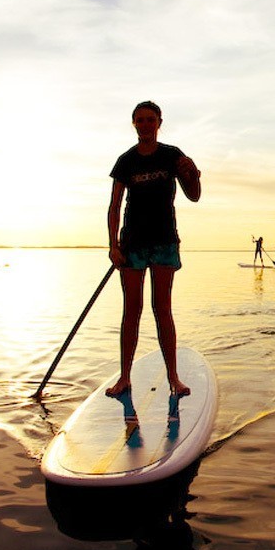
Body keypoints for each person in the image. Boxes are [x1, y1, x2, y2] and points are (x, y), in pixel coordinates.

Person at [106, 101, 201, 397]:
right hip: (132, 244)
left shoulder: (173, 155)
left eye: (150, 120)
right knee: (131, 311)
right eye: (140, 120)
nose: (145, 124)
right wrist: (113, 245)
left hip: (164, 242)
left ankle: (174, 378)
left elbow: (194, 196)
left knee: (163, 310)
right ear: (133, 124)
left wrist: (193, 173)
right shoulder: (126, 161)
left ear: (160, 122)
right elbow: (114, 206)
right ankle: (124, 378)